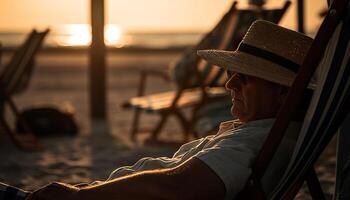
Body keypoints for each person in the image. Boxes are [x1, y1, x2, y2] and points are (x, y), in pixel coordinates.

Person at [0, 20, 315, 200]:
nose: (228, 84)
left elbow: (176, 185)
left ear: (284, 92)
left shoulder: (251, 143)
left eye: (243, 78)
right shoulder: (270, 136)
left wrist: (78, 197)